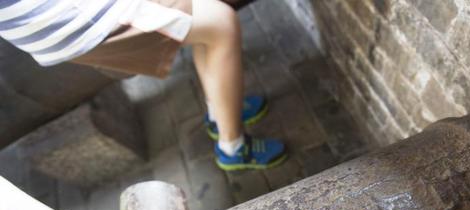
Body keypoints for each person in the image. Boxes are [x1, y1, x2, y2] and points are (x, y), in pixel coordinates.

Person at [0, 0, 287, 170]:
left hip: (58, 18)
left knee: (207, 23)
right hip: (78, 16)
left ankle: (222, 114)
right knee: (221, 25)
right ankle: (234, 148)